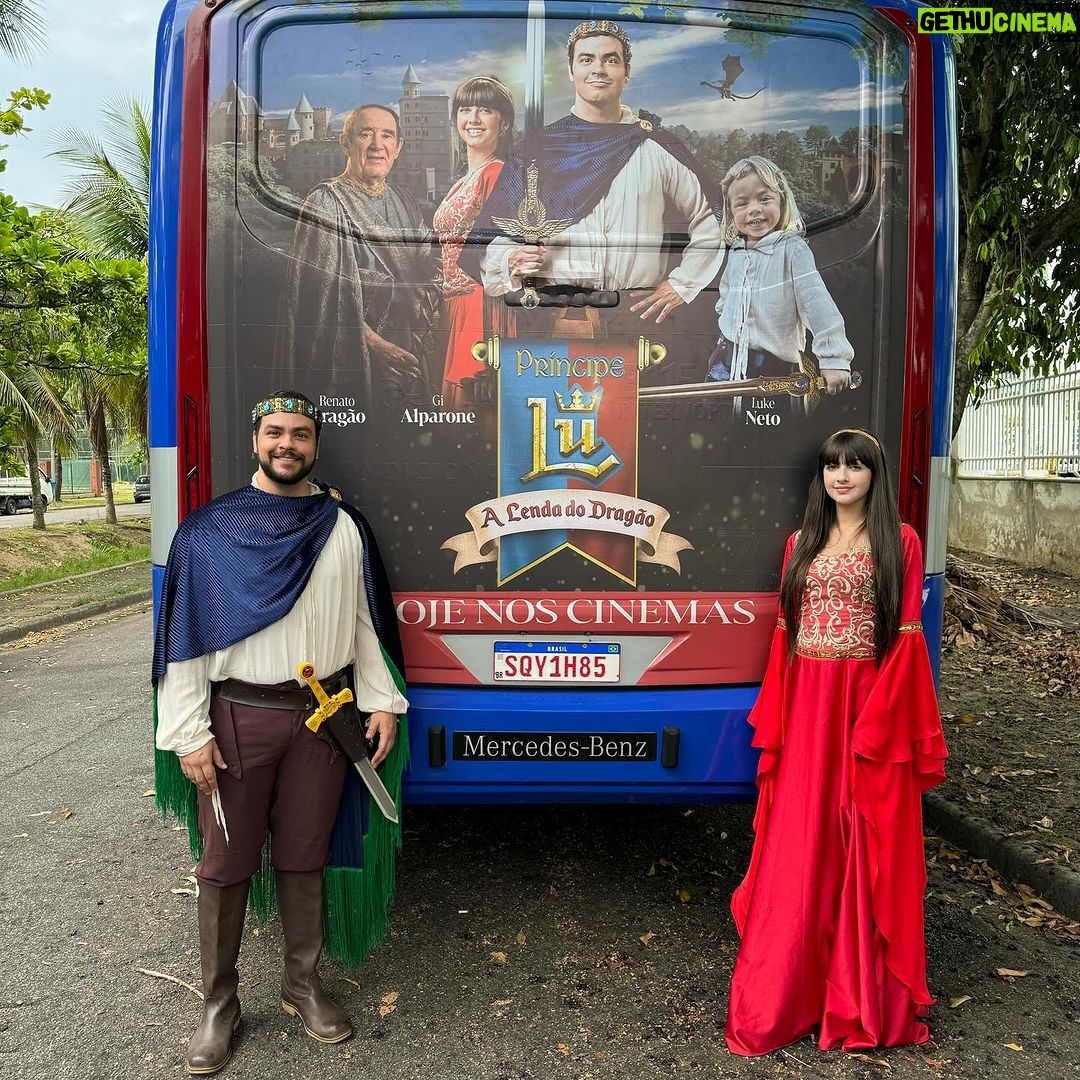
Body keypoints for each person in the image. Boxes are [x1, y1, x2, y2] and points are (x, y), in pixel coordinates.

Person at [151, 390, 409, 1075]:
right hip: (237, 718)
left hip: (322, 720)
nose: (286, 444)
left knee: (304, 854)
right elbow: (185, 636)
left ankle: (302, 985)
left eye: (299, 433)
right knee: (225, 862)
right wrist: (189, 732)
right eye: (274, 432)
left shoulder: (343, 526)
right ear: (255, 441)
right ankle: (219, 1004)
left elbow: (365, 621)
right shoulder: (208, 532)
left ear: (316, 445)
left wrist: (382, 700)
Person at [725, 428, 948, 1056]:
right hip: (808, 707)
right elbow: (786, 636)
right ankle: (789, 990)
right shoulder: (800, 542)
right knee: (803, 832)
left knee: (860, 829)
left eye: (854, 467)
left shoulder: (900, 541)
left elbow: (906, 637)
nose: (841, 477)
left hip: (866, 702)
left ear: (874, 475)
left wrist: (880, 721)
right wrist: (783, 713)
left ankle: (855, 993)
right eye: (832, 466)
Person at [467, 19, 724, 328]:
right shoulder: (534, 151)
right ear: (571, 71)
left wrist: (683, 284)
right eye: (586, 59)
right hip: (553, 318)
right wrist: (510, 258)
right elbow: (490, 240)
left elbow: (710, 216)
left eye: (610, 60)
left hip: (636, 317)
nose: (598, 69)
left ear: (627, 72)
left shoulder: (654, 145)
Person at [277, 104, 441, 409]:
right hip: (355, 361)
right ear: (346, 143)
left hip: (409, 353)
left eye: (387, 136)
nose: (378, 145)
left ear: (398, 147)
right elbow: (320, 304)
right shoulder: (325, 203)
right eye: (366, 134)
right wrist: (377, 346)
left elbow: (426, 259)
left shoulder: (405, 200)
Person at [707, 155, 853, 394]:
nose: (754, 209)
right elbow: (726, 292)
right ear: (730, 211)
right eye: (742, 203)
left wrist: (834, 359)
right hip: (727, 356)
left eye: (764, 198)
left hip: (775, 367)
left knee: (769, 417)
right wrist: (726, 325)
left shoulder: (792, 250)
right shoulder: (737, 249)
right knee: (717, 410)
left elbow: (816, 303)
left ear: (782, 201)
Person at [433, 75, 515, 406]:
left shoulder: (496, 173)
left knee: (472, 406)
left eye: (485, 110)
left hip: (479, 305)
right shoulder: (463, 180)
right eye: (465, 110)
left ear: (503, 122)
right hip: (453, 304)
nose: (474, 119)